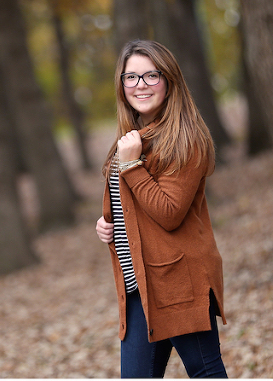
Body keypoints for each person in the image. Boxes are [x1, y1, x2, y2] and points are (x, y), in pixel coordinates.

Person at [95, 40, 228, 378]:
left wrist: (132, 166)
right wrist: (110, 225)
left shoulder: (186, 137)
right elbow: (135, 203)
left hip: (178, 283)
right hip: (139, 284)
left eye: (151, 75)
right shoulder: (134, 137)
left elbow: (169, 212)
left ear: (169, 82)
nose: (140, 85)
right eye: (131, 77)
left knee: (205, 371)